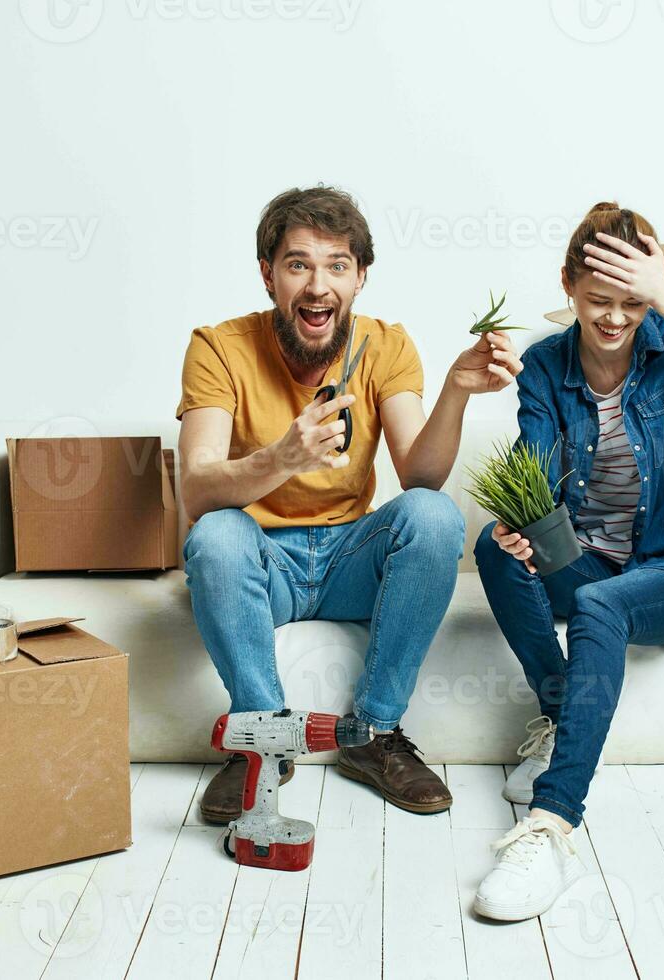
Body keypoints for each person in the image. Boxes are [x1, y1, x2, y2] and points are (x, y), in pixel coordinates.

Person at [471, 202, 664, 920]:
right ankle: (560, 715)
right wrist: (520, 523)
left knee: (597, 604)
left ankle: (551, 825)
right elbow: (533, 461)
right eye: (596, 301)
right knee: (492, 551)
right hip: (588, 564)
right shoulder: (546, 366)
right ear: (566, 286)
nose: (614, 319)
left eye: (631, 302)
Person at [177, 185, 523, 823]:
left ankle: (373, 735)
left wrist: (455, 391)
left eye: (337, 265)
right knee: (216, 534)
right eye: (298, 263)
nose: (317, 285)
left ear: (360, 278)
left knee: (433, 515)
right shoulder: (218, 346)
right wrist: (281, 457)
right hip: (263, 562)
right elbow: (196, 490)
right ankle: (262, 743)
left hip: (348, 558)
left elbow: (421, 474)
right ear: (267, 275)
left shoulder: (386, 346)